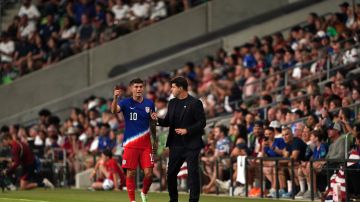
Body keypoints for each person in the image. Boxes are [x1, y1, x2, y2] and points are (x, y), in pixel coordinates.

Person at [151, 76, 206, 202]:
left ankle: (193, 200)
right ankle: (173, 199)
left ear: (181, 88)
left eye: (173, 87)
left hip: (191, 144)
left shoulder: (195, 103)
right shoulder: (172, 103)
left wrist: (187, 130)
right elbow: (168, 121)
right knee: (170, 174)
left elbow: (202, 122)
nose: (171, 89)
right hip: (175, 145)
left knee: (193, 174)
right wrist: (156, 120)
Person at [111, 78, 156, 202]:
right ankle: (132, 200)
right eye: (136, 87)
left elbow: (153, 122)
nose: (139, 89)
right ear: (131, 88)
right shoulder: (125, 102)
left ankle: (144, 192)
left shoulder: (150, 103)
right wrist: (115, 98)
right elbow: (114, 110)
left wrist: (155, 138)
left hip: (146, 144)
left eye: (141, 86)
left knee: (149, 174)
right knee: (130, 173)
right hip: (131, 144)